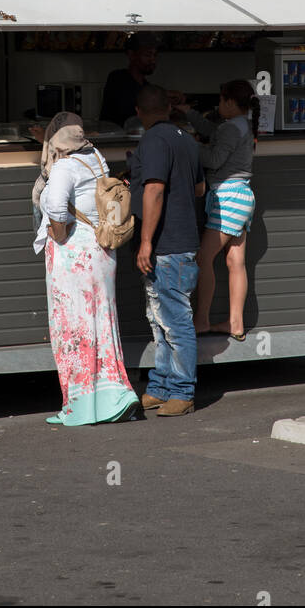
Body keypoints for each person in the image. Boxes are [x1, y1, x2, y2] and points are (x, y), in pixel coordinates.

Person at [35, 111, 139, 427]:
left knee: (72, 328)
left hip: (73, 255)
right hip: (102, 251)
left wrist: (59, 233)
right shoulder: (94, 155)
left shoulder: (64, 165)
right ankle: (115, 397)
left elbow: (55, 205)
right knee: (102, 324)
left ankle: (78, 407)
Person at [130, 84, 205, 416]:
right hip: (183, 241)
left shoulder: (154, 140)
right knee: (160, 320)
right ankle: (161, 387)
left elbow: (155, 189)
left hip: (167, 246)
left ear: (139, 111)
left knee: (174, 321)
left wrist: (146, 241)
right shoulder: (185, 137)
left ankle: (183, 391)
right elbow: (200, 187)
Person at [170, 80, 258, 340]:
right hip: (242, 196)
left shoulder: (232, 127)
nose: (218, 106)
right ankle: (235, 323)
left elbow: (214, 158)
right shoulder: (241, 124)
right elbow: (212, 131)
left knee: (202, 258)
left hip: (228, 197)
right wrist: (188, 113)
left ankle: (201, 320)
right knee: (235, 262)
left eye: (220, 101)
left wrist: (186, 143)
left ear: (230, 102)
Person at [99, 34, 158, 129]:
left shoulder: (146, 85)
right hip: (115, 139)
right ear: (131, 55)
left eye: (154, 55)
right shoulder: (117, 78)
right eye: (147, 55)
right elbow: (128, 107)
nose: (153, 60)